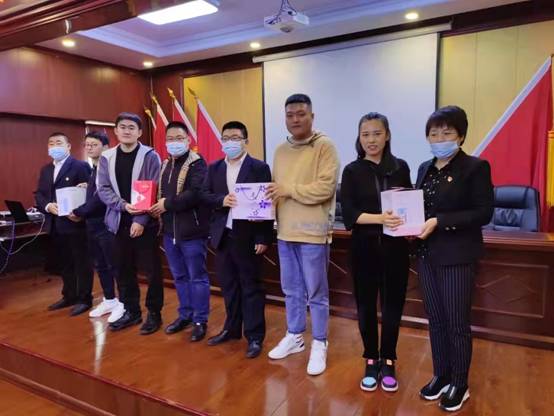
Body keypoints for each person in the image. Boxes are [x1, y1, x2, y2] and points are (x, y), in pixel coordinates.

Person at [415, 106, 493, 412]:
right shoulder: (424, 167)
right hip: (427, 254)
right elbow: (420, 207)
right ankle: (442, 375)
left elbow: (483, 212)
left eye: (447, 132)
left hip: (458, 256)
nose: (439, 139)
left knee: (457, 323)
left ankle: (460, 383)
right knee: (435, 320)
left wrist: (440, 221)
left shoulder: (475, 167)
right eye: (434, 133)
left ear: (460, 136)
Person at [266, 93, 339, 375]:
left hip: (313, 233)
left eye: (301, 114)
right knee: (291, 290)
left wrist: (289, 190)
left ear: (312, 116)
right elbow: (275, 190)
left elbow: (325, 188)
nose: (295, 119)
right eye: (290, 115)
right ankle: (295, 336)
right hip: (285, 231)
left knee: (316, 292)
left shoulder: (325, 146)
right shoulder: (280, 150)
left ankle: (319, 342)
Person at [340, 113, 412, 392]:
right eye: (365, 134)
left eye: (377, 133)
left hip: (396, 250)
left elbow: (409, 206)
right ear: (359, 138)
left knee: (393, 306)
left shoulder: (401, 167)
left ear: (387, 135)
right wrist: (381, 219)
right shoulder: (352, 170)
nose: (371, 140)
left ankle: (389, 359)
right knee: (366, 307)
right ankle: (371, 358)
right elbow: (350, 214)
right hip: (364, 249)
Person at [203, 121, 273, 358]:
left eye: (235, 138)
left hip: (249, 237)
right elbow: (204, 195)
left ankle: (254, 336)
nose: (230, 142)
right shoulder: (214, 168)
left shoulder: (259, 167)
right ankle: (231, 329)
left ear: (246, 141)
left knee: (251, 287)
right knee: (229, 286)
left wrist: (264, 236)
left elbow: (266, 202)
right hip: (223, 235)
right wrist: (221, 200)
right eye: (226, 138)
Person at [97, 112, 163, 335]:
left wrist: (140, 220)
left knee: (152, 272)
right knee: (123, 270)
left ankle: (154, 313)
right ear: (116, 131)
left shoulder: (150, 156)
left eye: (131, 127)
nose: (127, 131)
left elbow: (153, 187)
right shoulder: (107, 157)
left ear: (139, 132)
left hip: (144, 223)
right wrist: (123, 206)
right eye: (122, 127)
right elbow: (103, 188)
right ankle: (131, 311)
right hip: (117, 221)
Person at [149, 121, 210, 342]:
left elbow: (194, 194)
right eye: (170, 139)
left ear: (188, 140)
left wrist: (166, 204)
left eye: (179, 138)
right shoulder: (165, 164)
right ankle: (185, 315)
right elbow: (160, 193)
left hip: (192, 232)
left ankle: (200, 320)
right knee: (179, 277)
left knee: (197, 278)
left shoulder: (198, 163)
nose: (174, 142)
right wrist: (154, 206)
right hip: (169, 232)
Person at [35, 132, 93, 316]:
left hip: (75, 223)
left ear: (68, 146)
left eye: (58, 143)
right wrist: (48, 205)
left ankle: (84, 299)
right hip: (55, 223)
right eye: (51, 143)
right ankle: (69, 295)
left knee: (81, 262)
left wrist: (80, 213)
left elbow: (90, 193)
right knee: (65, 263)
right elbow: (40, 194)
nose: (55, 146)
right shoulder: (46, 169)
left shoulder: (80, 166)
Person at [71, 131, 124, 322]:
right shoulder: (93, 168)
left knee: (114, 265)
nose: (89, 148)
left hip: (106, 224)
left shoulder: (109, 167)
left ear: (106, 147)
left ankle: (124, 304)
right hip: (92, 225)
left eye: (94, 144)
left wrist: (78, 211)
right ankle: (109, 299)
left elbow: (101, 198)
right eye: (87, 145)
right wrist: (87, 186)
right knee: (100, 265)